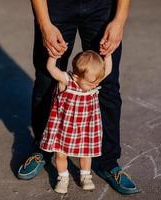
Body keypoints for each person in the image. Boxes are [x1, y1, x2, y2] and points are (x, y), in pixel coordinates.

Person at [18, 0, 139, 195]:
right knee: (47, 82)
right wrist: (44, 24)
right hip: (56, 8)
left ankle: (108, 162)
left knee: (107, 86)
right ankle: (41, 149)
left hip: (102, 8)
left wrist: (119, 20)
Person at [39, 50, 112, 194]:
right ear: (77, 77)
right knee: (60, 154)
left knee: (86, 153)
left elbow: (108, 70)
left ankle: (85, 175)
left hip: (86, 127)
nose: (96, 84)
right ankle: (63, 177)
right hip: (64, 127)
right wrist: (53, 57)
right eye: (92, 83)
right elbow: (51, 69)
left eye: (97, 81)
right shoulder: (66, 81)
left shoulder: (93, 78)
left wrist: (108, 56)